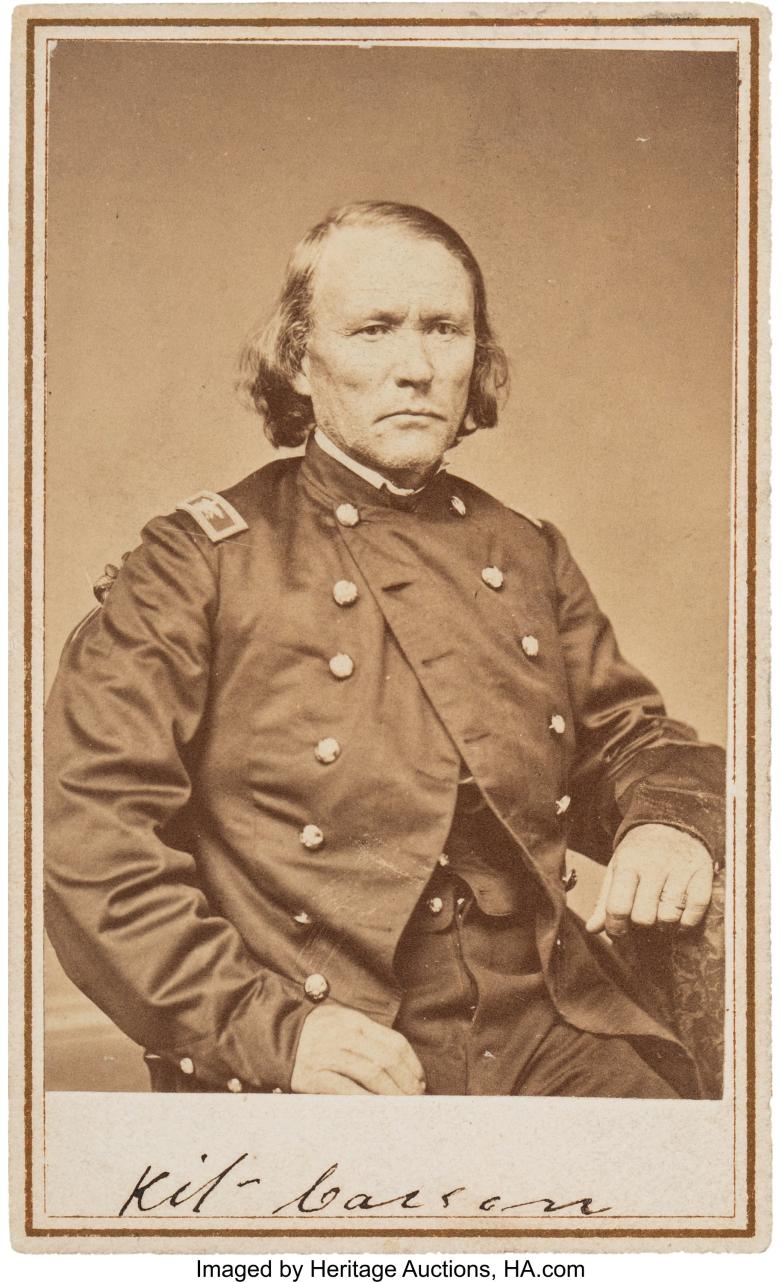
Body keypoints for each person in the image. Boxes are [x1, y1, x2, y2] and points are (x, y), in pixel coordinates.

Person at [44, 201, 725, 1099]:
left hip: (549, 1028)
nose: (416, 367)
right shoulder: (197, 563)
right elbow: (92, 836)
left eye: (445, 329)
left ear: (475, 357)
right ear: (300, 360)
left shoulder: (525, 551)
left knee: (684, 1156)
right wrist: (270, 1032)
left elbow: (632, 740)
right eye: (374, 330)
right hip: (332, 1042)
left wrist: (667, 822)